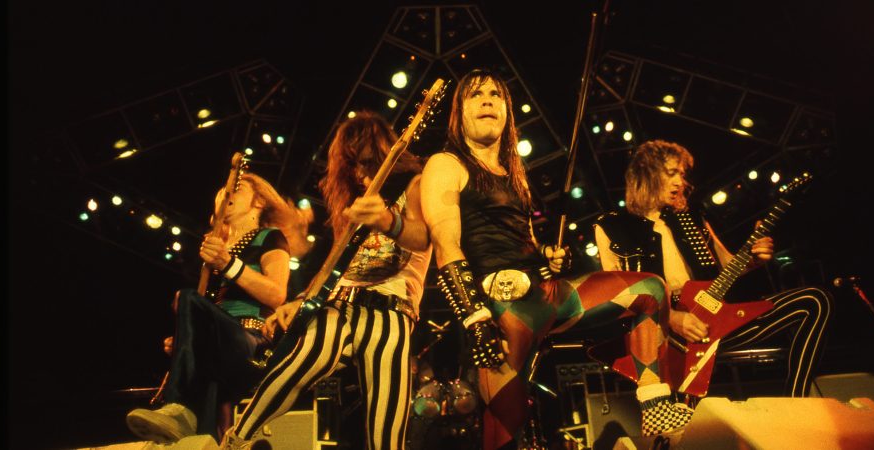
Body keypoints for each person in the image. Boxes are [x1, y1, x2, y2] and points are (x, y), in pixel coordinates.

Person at [419, 69, 693, 449]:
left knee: (650, 290)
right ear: (459, 112)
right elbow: (445, 244)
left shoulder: (514, 174)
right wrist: (476, 321)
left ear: (507, 110)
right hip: (502, 309)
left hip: (545, 295)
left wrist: (548, 258)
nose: (487, 101)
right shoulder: (446, 164)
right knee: (506, 425)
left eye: (495, 95)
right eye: (476, 95)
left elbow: (527, 242)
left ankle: (655, 403)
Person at [222, 111, 432, 450]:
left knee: (387, 417)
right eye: (352, 166)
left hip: (393, 309)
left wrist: (387, 220)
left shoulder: (416, 184)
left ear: (382, 152)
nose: (360, 174)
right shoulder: (353, 206)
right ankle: (234, 442)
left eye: (365, 162)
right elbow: (336, 269)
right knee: (298, 365)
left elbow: (423, 238)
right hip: (341, 303)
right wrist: (300, 300)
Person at [593, 139, 833, 398]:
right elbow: (617, 295)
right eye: (672, 173)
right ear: (646, 173)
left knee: (815, 301)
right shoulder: (611, 227)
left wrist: (754, 259)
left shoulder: (691, 215)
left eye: (682, 175)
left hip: (713, 319)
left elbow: (728, 264)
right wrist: (671, 318)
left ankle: (797, 398)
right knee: (684, 415)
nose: (680, 182)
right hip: (660, 337)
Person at [126, 172, 313, 443]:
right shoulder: (213, 253)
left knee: (187, 297)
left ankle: (176, 408)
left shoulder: (270, 237)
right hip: (220, 349)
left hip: (252, 343)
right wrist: (185, 339)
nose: (228, 194)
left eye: (237, 188)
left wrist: (228, 264)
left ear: (259, 201)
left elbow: (276, 294)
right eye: (223, 191)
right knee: (208, 400)